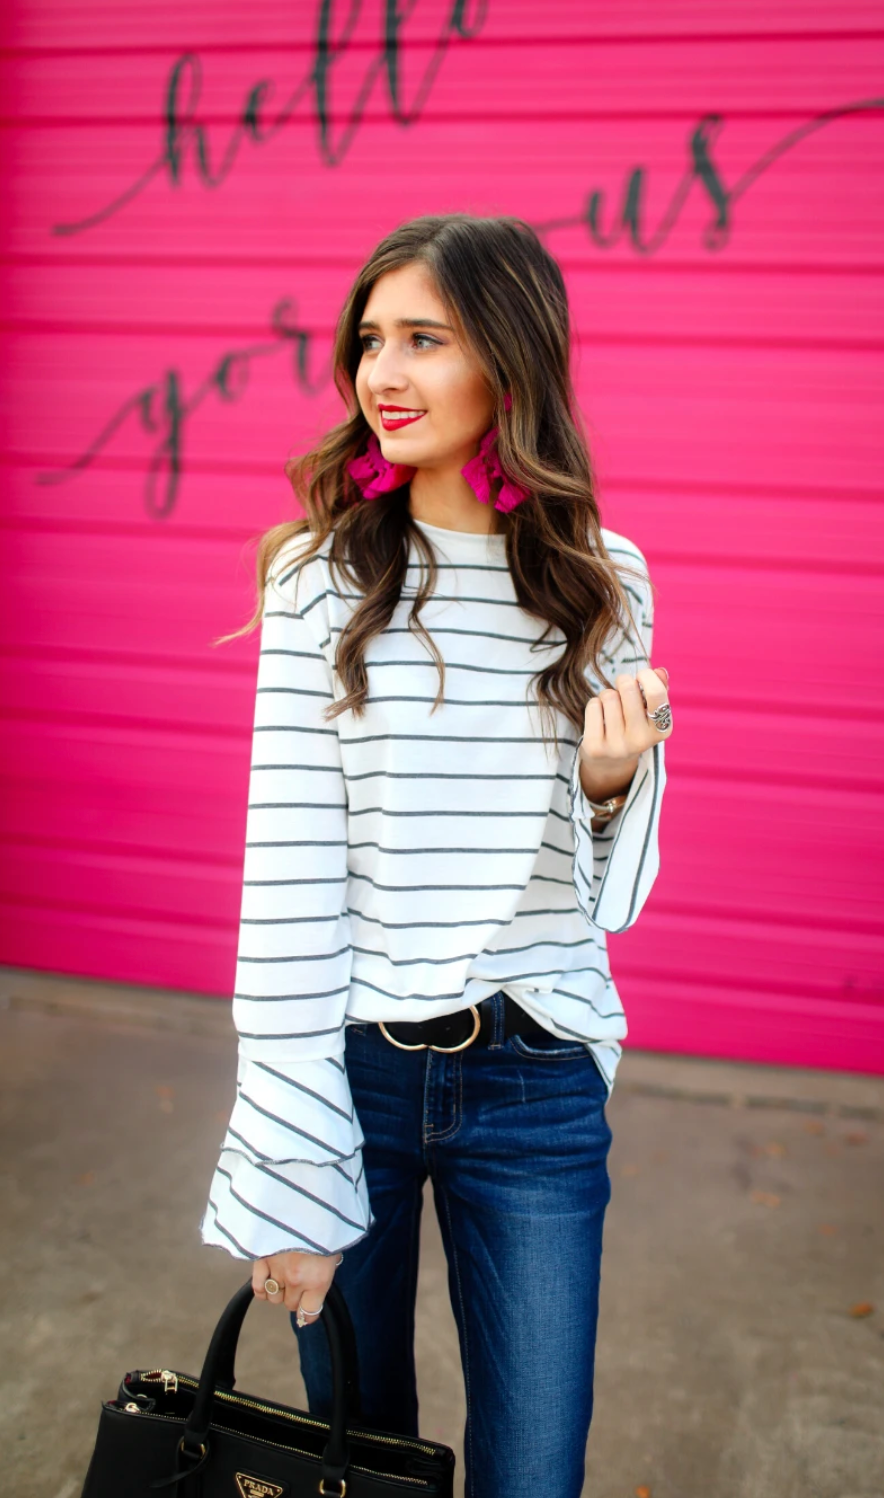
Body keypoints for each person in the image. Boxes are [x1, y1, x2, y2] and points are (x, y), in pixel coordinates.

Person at [200, 212, 672, 1498]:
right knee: (359, 1468)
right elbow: (287, 888)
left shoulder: (600, 580)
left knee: (534, 1470)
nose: (381, 376)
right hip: (352, 1075)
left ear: (508, 365)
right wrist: (290, 1176)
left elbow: (603, 899)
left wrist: (608, 783)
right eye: (368, 341)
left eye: (424, 339)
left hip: (534, 1076)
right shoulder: (319, 579)